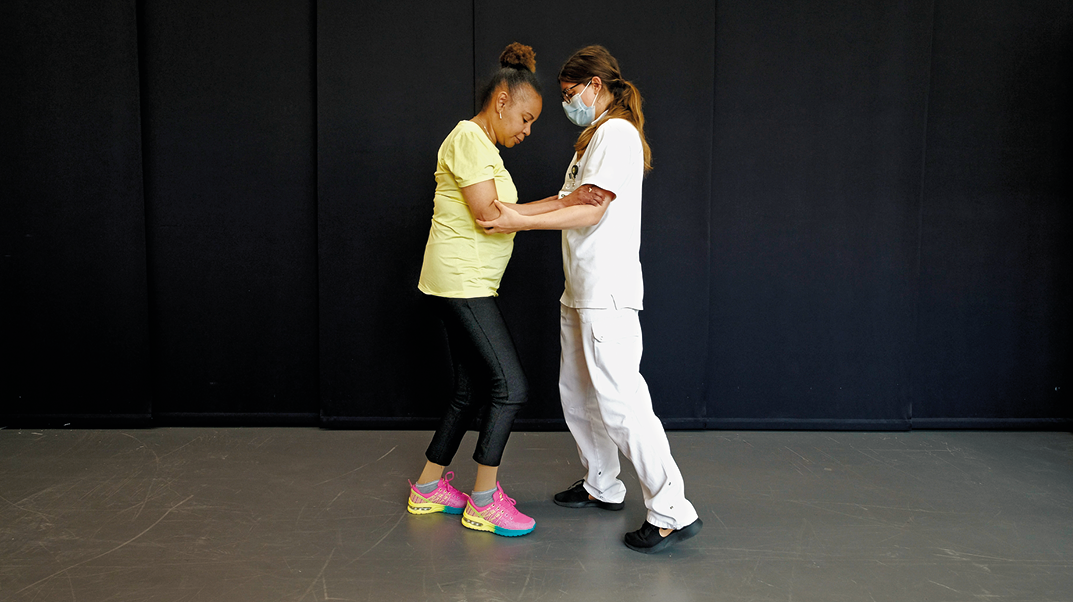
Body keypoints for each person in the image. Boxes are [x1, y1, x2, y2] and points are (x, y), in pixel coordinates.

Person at [476, 45, 703, 553]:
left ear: (594, 86)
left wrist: (519, 222)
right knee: (578, 395)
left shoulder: (617, 134)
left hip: (608, 292)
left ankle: (671, 509)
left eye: (568, 94)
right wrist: (513, 210)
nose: (566, 103)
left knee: (622, 402)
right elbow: (567, 200)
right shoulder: (592, 138)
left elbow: (590, 211)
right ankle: (603, 483)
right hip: (579, 289)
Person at [408, 42, 605, 538]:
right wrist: (563, 207)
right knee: (510, 387)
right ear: (501, 100)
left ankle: (428, 488)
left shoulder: (483, 147)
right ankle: (483, 500)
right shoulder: (469, 138)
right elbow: (491, 217)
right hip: (462, 281)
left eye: (534, 122)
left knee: (469, 389)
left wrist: (561, 200)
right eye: (524, 117)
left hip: (461, 281)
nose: (527, 130)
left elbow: (501, 211)